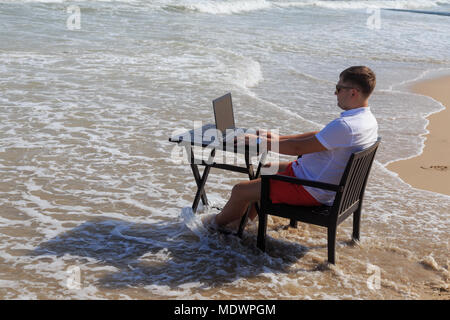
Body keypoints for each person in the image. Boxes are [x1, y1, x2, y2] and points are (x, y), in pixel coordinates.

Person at [204, 66, 378, 232]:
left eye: (338, 88)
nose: (335, 93)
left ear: (353, 92)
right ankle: (244, 222)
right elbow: (318, 135)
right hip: (317, 180)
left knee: (239, 190)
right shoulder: (366, 120)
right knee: (266, 169)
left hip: (310, 189)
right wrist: (276, 138)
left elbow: (297, 148)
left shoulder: (345, 125)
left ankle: (211, 227)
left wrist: (259, 143)